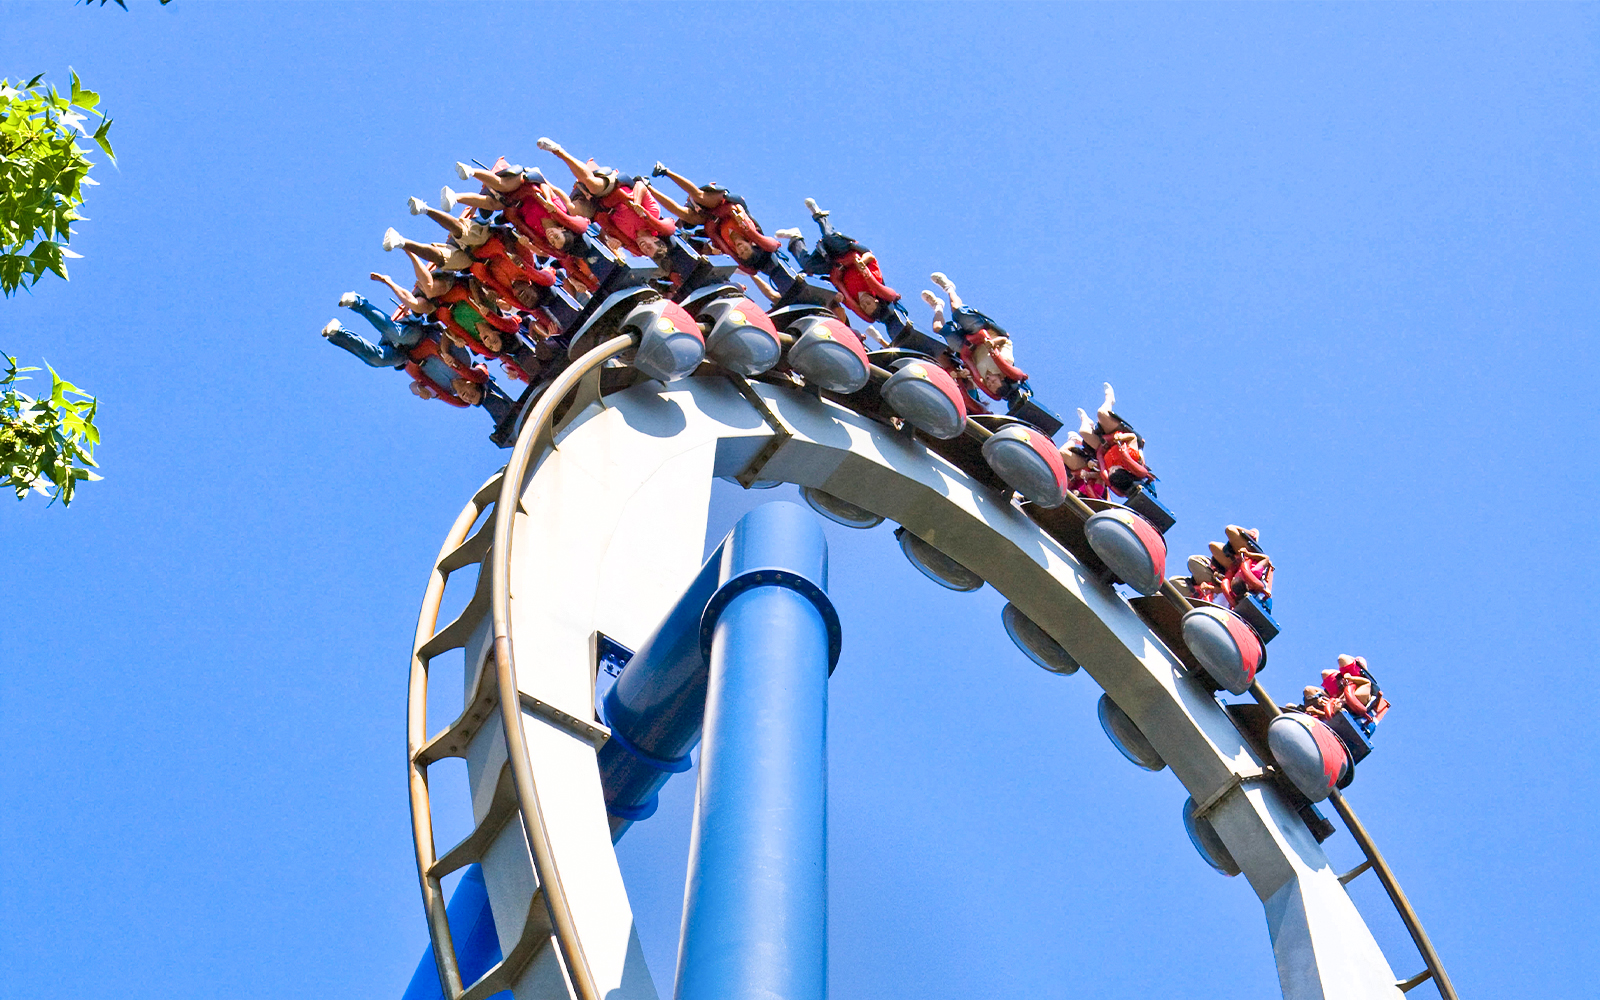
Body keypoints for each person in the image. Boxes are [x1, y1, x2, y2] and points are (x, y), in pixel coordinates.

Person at [445, 159, 602, 294]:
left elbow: (525, 232)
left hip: (512, 202)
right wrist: (547, 199)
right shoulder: (558, 210)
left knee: (494, 204)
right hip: (522, 184)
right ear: (562, 229)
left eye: (553, 242)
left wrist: (527, 243)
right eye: (556, 237)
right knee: (504, 185)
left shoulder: (539, 235)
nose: (551, 237)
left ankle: (455, 198)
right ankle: (470, 171)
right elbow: (544, 186)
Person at [320, 292, 489, 408]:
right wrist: (445, 352)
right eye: (472, 395)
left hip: (406, 356)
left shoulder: (444, 390)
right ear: (473, 384)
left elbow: (413, 387)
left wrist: (420, 390)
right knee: (396, 333)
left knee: (377, 360)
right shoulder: (464, 361)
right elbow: (447, 334)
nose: (467, 397)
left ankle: (338, 332)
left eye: (468, 400)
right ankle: (357, 302)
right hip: (419, 336)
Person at [536, 137, 676, 260]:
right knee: (593, 186)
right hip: (613, 188)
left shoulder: (629, 241)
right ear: (654, 238)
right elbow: (640, 185)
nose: (644, 248)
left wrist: (611, 239)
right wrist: (637, 203)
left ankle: (542, 181)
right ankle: (558, 151)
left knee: (572, 211)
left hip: (599, 205)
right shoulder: (654, 213)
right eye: (649, 247)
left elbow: (606, 226)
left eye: (645, 251)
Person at [777, 199, 901, 325]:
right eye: (868, 303)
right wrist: (861, 263)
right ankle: (819, 214)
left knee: (807, 265)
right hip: (845, 250)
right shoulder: (875, 281)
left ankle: (795, 238)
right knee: (829, 236)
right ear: (876, 300)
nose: (864, 303)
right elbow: (869, 256)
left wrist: (837, 292)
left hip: (832, 262)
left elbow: (836, 281)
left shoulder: (851, 299)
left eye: (864, 306)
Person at [648, 162, 784, 274]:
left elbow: (711, 230)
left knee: (684, 214)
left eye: (741, 253)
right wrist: (720, 217)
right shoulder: (748, 229)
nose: (741, 249)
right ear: (751, 244)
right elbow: (731, 208)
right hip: (719, 202)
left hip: (710, 217)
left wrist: (713, 221)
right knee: (699, 197)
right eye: (746, 249)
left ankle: (648, 188)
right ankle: (665, 171)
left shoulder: (728, 246)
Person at [920, 272, 1030, 402]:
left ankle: (937, 306)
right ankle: (949, 287)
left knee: (938, 329)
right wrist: (993, 343)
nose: (989, 382)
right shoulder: (1006, 362)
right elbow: (1004, 340)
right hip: (983, 333)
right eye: (994, 382)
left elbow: (968, 371)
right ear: (1001, 378)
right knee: (957, 310)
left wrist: (960, 374)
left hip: (968, 346)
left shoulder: (980, 379)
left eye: (990, 385)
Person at [1077, 382, 1155, 498]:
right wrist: (1120, 438)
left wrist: (1094, 465)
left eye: (1111, 472)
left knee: (1083, 431)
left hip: (1104, 445)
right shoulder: (1132, 455)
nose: (1111, 469)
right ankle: (1110, 399)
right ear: (1123, 470)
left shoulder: (1109, 471)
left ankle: (1087, 422)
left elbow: (1100, 460)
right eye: (1114, 470)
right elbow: (1133, 438)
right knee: (1101, 413)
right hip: (1117, 434)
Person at [1207, 524, 1274, 612]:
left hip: (1235, 562)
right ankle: (1252, 534)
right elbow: (1266, 558)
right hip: (1248, 555)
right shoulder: (1254, 572)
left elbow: (1225, 586)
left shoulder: (1233, 586)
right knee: (1229, 529)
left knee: (1213, 545)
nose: (1233, 579)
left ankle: (1235, 547)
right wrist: (1248, 554)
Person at [1322, 655, 1389, 736]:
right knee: (1324, 674)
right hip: (1344, 695)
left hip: (1358, 696)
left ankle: (1358, 669)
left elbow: (1367, 683)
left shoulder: (1365, 687)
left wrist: (1351, 678)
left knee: (1343, 658)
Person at [1060, 432, 1108, 500]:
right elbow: (1101, 476)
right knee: (1062, 452)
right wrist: (1088, 474)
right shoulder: (1097, 491)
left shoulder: (1067, 491)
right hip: (1087, 466)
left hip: (1070, 471)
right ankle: (1073, 440)